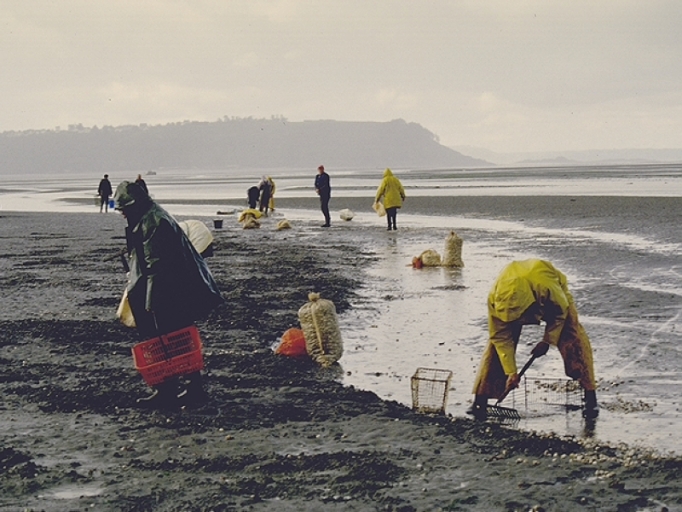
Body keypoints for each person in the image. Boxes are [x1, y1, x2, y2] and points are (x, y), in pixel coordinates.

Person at [114, 181, 224, 408]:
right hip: (171, 288)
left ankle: (179, 390)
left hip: (170, 290)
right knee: (173, 338)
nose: (122, 213)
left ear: (135, 205)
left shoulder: (154, 222)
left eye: (124, 209)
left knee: (170, 339)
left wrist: (151, 302)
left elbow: (156, 266)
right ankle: (179, 389)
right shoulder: (148, 218)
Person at [468, 259, 599, 420]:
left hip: (555, 298)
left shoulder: (547, 289)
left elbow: (559, 315)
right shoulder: (494, 300)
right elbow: (500, 338)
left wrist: (547, 341)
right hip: (520, 291)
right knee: (495, 347)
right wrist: (511, 372)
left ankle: (590, 396)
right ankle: (480, 399)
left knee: (574, 339)